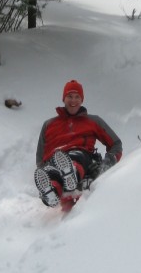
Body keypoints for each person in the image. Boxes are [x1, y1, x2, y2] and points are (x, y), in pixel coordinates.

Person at [34, 79, 122, 207]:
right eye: (69, 96)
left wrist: (109, 161)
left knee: (75, 157)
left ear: (82, 100)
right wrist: (43, 169)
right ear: (63, 99)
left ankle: (72, 175)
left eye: (77, 97)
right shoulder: (49, 124)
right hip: (54, 160)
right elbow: (40, 158)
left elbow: (116, 144)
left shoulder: (93, 121)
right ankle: (51, 192)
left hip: (81, 157)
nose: (73, 100)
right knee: (50, 171)